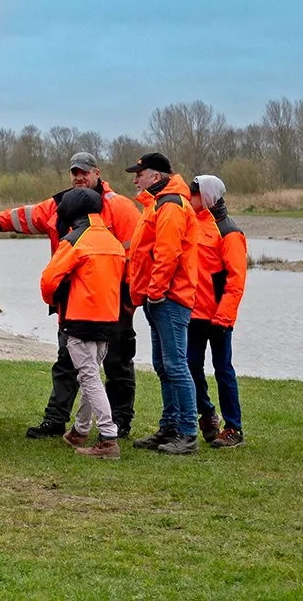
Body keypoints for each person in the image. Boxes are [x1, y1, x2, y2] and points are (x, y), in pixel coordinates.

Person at [0, 152, 143, 438]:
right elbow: (23, 216)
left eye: (84, 172)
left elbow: (138, 258)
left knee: (116, 364)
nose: (79, 177)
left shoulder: (121, 208)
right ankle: (57, 421)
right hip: (74, 304)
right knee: (68, 363)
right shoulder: (60, 205)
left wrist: (130, 299)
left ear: (97, 173)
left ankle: (119, 423)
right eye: (75, 172)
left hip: (115, 303)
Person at [38, 188, 125, 459]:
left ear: (70, 214)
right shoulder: (113, 241)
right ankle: (80, 429)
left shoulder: (74, 241)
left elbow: (49, 280)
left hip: (80, 319)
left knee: (88, 376)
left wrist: (55, 299)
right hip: (110, 319)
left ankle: (108, 438)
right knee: (92, 375)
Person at [125, 152, 200, 455]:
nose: (135, 180)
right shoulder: (161, 203)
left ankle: (186, 432)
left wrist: (155, 291)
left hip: (169, 297)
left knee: (175, 365)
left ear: (155, 177)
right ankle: (170, 427)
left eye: (139, 174)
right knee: (163, 365)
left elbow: (167, 254)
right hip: (161, 297)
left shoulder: (170, 205)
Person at [187, 175, 246, 448]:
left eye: (194, 194)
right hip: (193, 312)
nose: (189, 197)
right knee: (190, 367)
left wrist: (224, 317)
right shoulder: (192, 224)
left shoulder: (229, 232)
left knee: (223, 370)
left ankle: (234, 428)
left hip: (218, 315)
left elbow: (236, 280)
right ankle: (208, 414)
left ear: (208, 196)